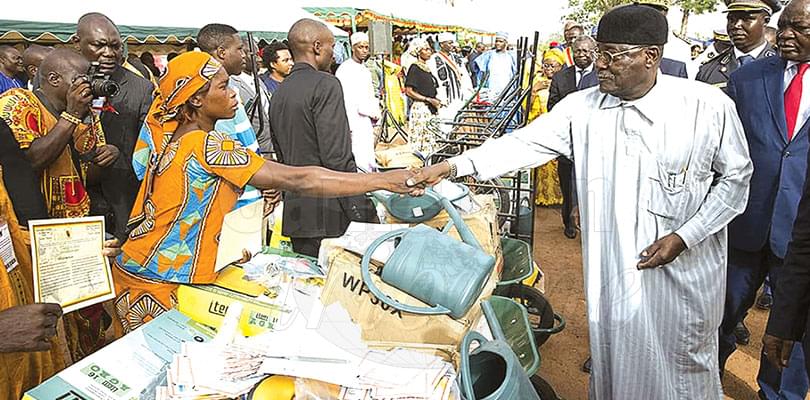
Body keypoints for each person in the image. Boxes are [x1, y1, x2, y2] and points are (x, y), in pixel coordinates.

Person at [408, 5, 752, 397]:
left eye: (611, 55)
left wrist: (686, 236)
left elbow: (737, 180)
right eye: (597, 52)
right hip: (615, 270)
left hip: (683, 274)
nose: (599, 64)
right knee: (617, 363)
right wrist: (454, 166)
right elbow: (523, 144)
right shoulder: (582, 108)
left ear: (650, 57)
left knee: (683, 369)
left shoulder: (706, 107)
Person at [113, 52, 414, 332]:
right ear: (196, 102)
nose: (232, 93)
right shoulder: (207, 145)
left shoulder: (178, 139)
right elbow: (301, 180)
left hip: (142, 268)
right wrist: (384, 182)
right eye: (222, 87)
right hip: (158, 281)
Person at [724, 0, 810, 397]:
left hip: (801, 236)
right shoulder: (749, 78)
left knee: (791, 328)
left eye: (802, 28)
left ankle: (776, 394)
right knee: (721, 314)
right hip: (747, 223)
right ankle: (701, 379)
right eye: (785, 25)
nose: (788, 35)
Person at [269, 19, 380, 258]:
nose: (334, 54)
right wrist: (363, 208)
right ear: (317, 47)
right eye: (332, 46)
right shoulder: (326, 84)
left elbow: (282, 155)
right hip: (330, 212)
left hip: (298, 212)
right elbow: (337, 157)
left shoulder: (280, 92)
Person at [74, 13, 154, 242]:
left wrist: (119, 155)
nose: (109, 53)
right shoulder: (59, 78)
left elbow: (151, 149)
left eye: (115, 46)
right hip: (72, 200)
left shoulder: (141, 89)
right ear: (76, 43)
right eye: (99, 45)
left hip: (120, 202)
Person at [547, 35, 598, 241]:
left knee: (591, 183)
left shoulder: (602, 76)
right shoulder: (561, 77)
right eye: (578, 51)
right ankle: (568, 223)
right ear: (572, 52)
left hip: (594, 142)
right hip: (567, 141)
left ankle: (589, 225)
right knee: (567, 183)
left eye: (586, 51)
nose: (582, 55)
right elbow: (552, 105)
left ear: (593, 52)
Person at [697, 0, 778, 92]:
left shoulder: (783, 68)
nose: (736, 25)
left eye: (746, 19)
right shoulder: (708, 70)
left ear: (766, 21)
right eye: (731, 19)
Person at [336, 32, 381, 172]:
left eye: (366, 47)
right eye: (360, 47)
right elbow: (345, 99)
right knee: (357, 155)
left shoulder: (365, 69)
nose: (364, 51)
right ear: (353, 48)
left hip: (366, 120)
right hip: (353, 120)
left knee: (368, 154)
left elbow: (369, 95)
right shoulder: (345, 69)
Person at [530, 48, 566, 207]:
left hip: (557, 131)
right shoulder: (537, 81)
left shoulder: (564, 81)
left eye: (553, 66)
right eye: (546, 65)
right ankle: (540, 197)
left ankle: (558, 198)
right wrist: (534, 90)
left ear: (560, 66)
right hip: (538, 130)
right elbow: (526, 108)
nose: (549, 69)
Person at [231, 38, 273, 156]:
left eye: (258, 54)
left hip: (269, 147)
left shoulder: (258, 80)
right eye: (253, 54)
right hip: (251, 148)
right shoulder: (233, 84)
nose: (259, 59)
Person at [404, 38, 442, 155]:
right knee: (421, 141)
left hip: (430, 108)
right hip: (421, 109)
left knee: (431, 139)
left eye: (429, 49)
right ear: (418, 51)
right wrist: (427, 99)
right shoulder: (414, 68)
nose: (429, 51)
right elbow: (409, 91)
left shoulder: (427, 68)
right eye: (425, 49)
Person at [427, 32, 473, 115]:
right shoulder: (433, 59)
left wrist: (469, 92)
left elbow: (465, 75)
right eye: (450, 43)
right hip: (444, 97)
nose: (453, 45)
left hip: (460, 96)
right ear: (441, 44)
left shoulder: (456, 57)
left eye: (453, 43)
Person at [474, 32, 517, 101]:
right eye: (496, 41)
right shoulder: (488, 55)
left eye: (500, 41)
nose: (498, 43)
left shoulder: (511, 56)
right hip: (491, 90)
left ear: (506, 43)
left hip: (507, 90)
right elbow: (478, 68)